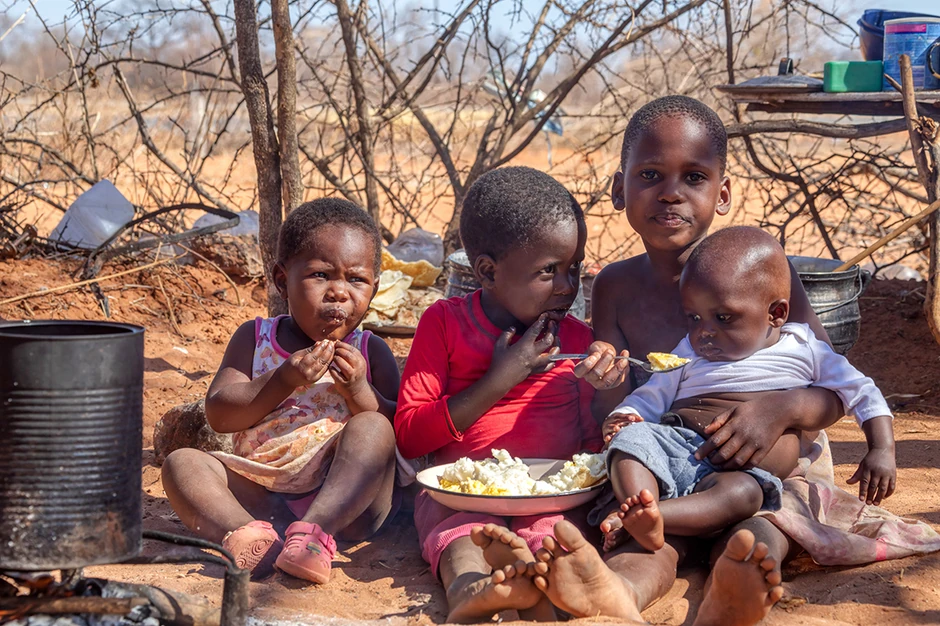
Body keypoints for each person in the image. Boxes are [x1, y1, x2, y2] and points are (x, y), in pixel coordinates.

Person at [526, 95, 940, 626]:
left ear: (722, 194)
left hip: (774, 469)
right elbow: (621, 403)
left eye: (694, 177)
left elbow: (833, 389)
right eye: (650, 174)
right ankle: (620, 591)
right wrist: (607, 385)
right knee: (649, 535)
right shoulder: (614, 287)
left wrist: (779, 409)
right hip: (673, 461)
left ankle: (731, 591)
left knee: (763, 525)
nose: (671, 192)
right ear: (618, 188)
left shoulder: (765, 273)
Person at [394, 166, 611, 623]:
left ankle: (547, 593)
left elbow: (592, 443)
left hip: (554, 496)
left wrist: (608, 390)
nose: (568, 286)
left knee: (556, 538)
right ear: (488, 272)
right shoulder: (445, 324)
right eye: (549, 271)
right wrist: (503, 377)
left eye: (574, 267)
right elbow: (411, 436)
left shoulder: (577, 340)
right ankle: (469, 590)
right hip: (460, 497)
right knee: (461, 537)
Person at [601, 226, 895, 554]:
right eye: (694, 318)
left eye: (723, 317)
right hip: (678, 447)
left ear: (775, 314)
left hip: (742, 473)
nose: (704, 332)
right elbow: (655, 393)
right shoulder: (688, 351)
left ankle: (654, 517)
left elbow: (862, 392)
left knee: (744, 495)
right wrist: (627, 415)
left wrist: (881, 448)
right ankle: (640, 506)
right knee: (630, 444)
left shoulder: (805, 348)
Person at [162, 199, 401, 584]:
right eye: (321, 275)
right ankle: (249, 537)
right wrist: (282, 379)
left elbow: (398, 433)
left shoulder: (371, 351)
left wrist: (359, 390)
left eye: (356, 280)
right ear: (281, 279)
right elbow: (220, 415)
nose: (339, 293)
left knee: (373, 426)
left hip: (346, 506)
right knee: (182, 464)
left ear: (374, 288)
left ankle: (314, 534)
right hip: (260, 494)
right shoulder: (254, 338)